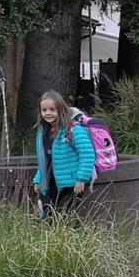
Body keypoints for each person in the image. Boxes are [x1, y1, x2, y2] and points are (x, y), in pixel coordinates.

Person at [33, 90, 95, 218]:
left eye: (52, 109)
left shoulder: (73, 130)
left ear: (60, 109)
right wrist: (38, 179)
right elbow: (45, 159)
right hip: (54, 181)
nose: (48, 113)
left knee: (69, 216)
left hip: (72, 183)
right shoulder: (44, 131)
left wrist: (81, 179)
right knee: (49, 214)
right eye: (44, 110)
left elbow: (87, 154)